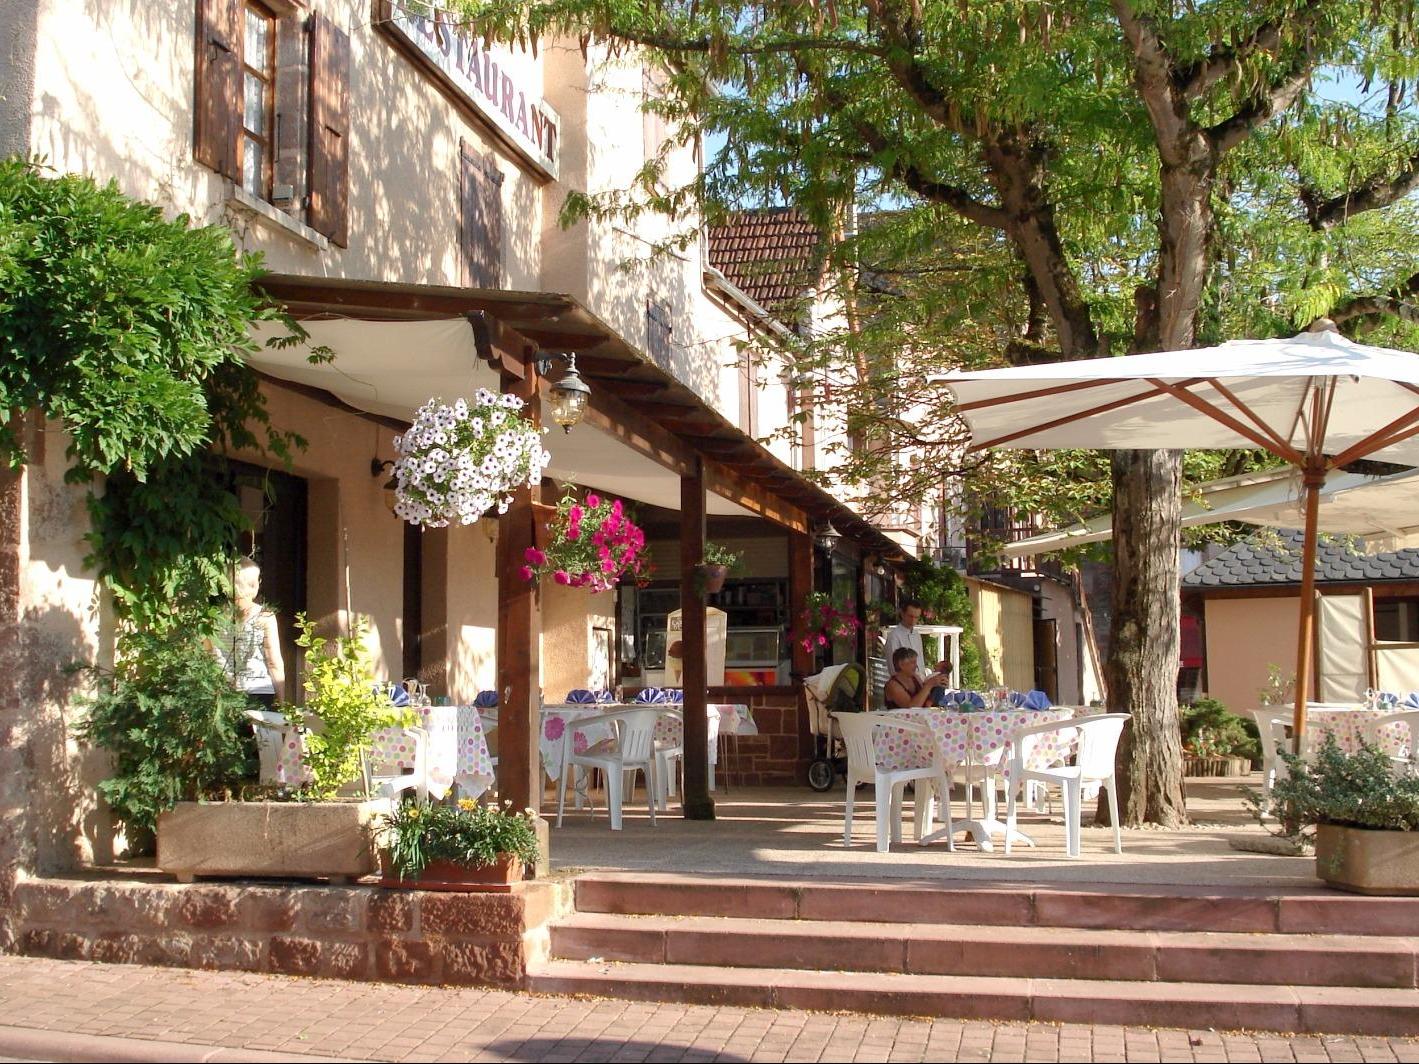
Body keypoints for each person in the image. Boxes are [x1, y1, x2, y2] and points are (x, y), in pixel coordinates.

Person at [209, 556, 285, 709]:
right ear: (253, 585)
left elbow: (209, 653)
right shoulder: (265, 618)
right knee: (259, 733)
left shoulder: (213, 617)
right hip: (258, 690)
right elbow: (273, 662)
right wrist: (283, 700)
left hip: (222, 692)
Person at [882, 599, 949, 675]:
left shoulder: (917, 635)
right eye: (910, 616)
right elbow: (893, 668)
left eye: (916, 617)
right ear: (902, 614)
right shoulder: (894, 636)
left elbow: (920, 663)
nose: (913, 620)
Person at [883, 647, 948, 709]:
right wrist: (929, 685)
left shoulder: (915, 677)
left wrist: (937, 686)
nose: (916, 666)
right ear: (901, 664)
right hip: (899, 720)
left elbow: (925, 697)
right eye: (912, 662)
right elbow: (912, 708)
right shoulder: (893, 685)